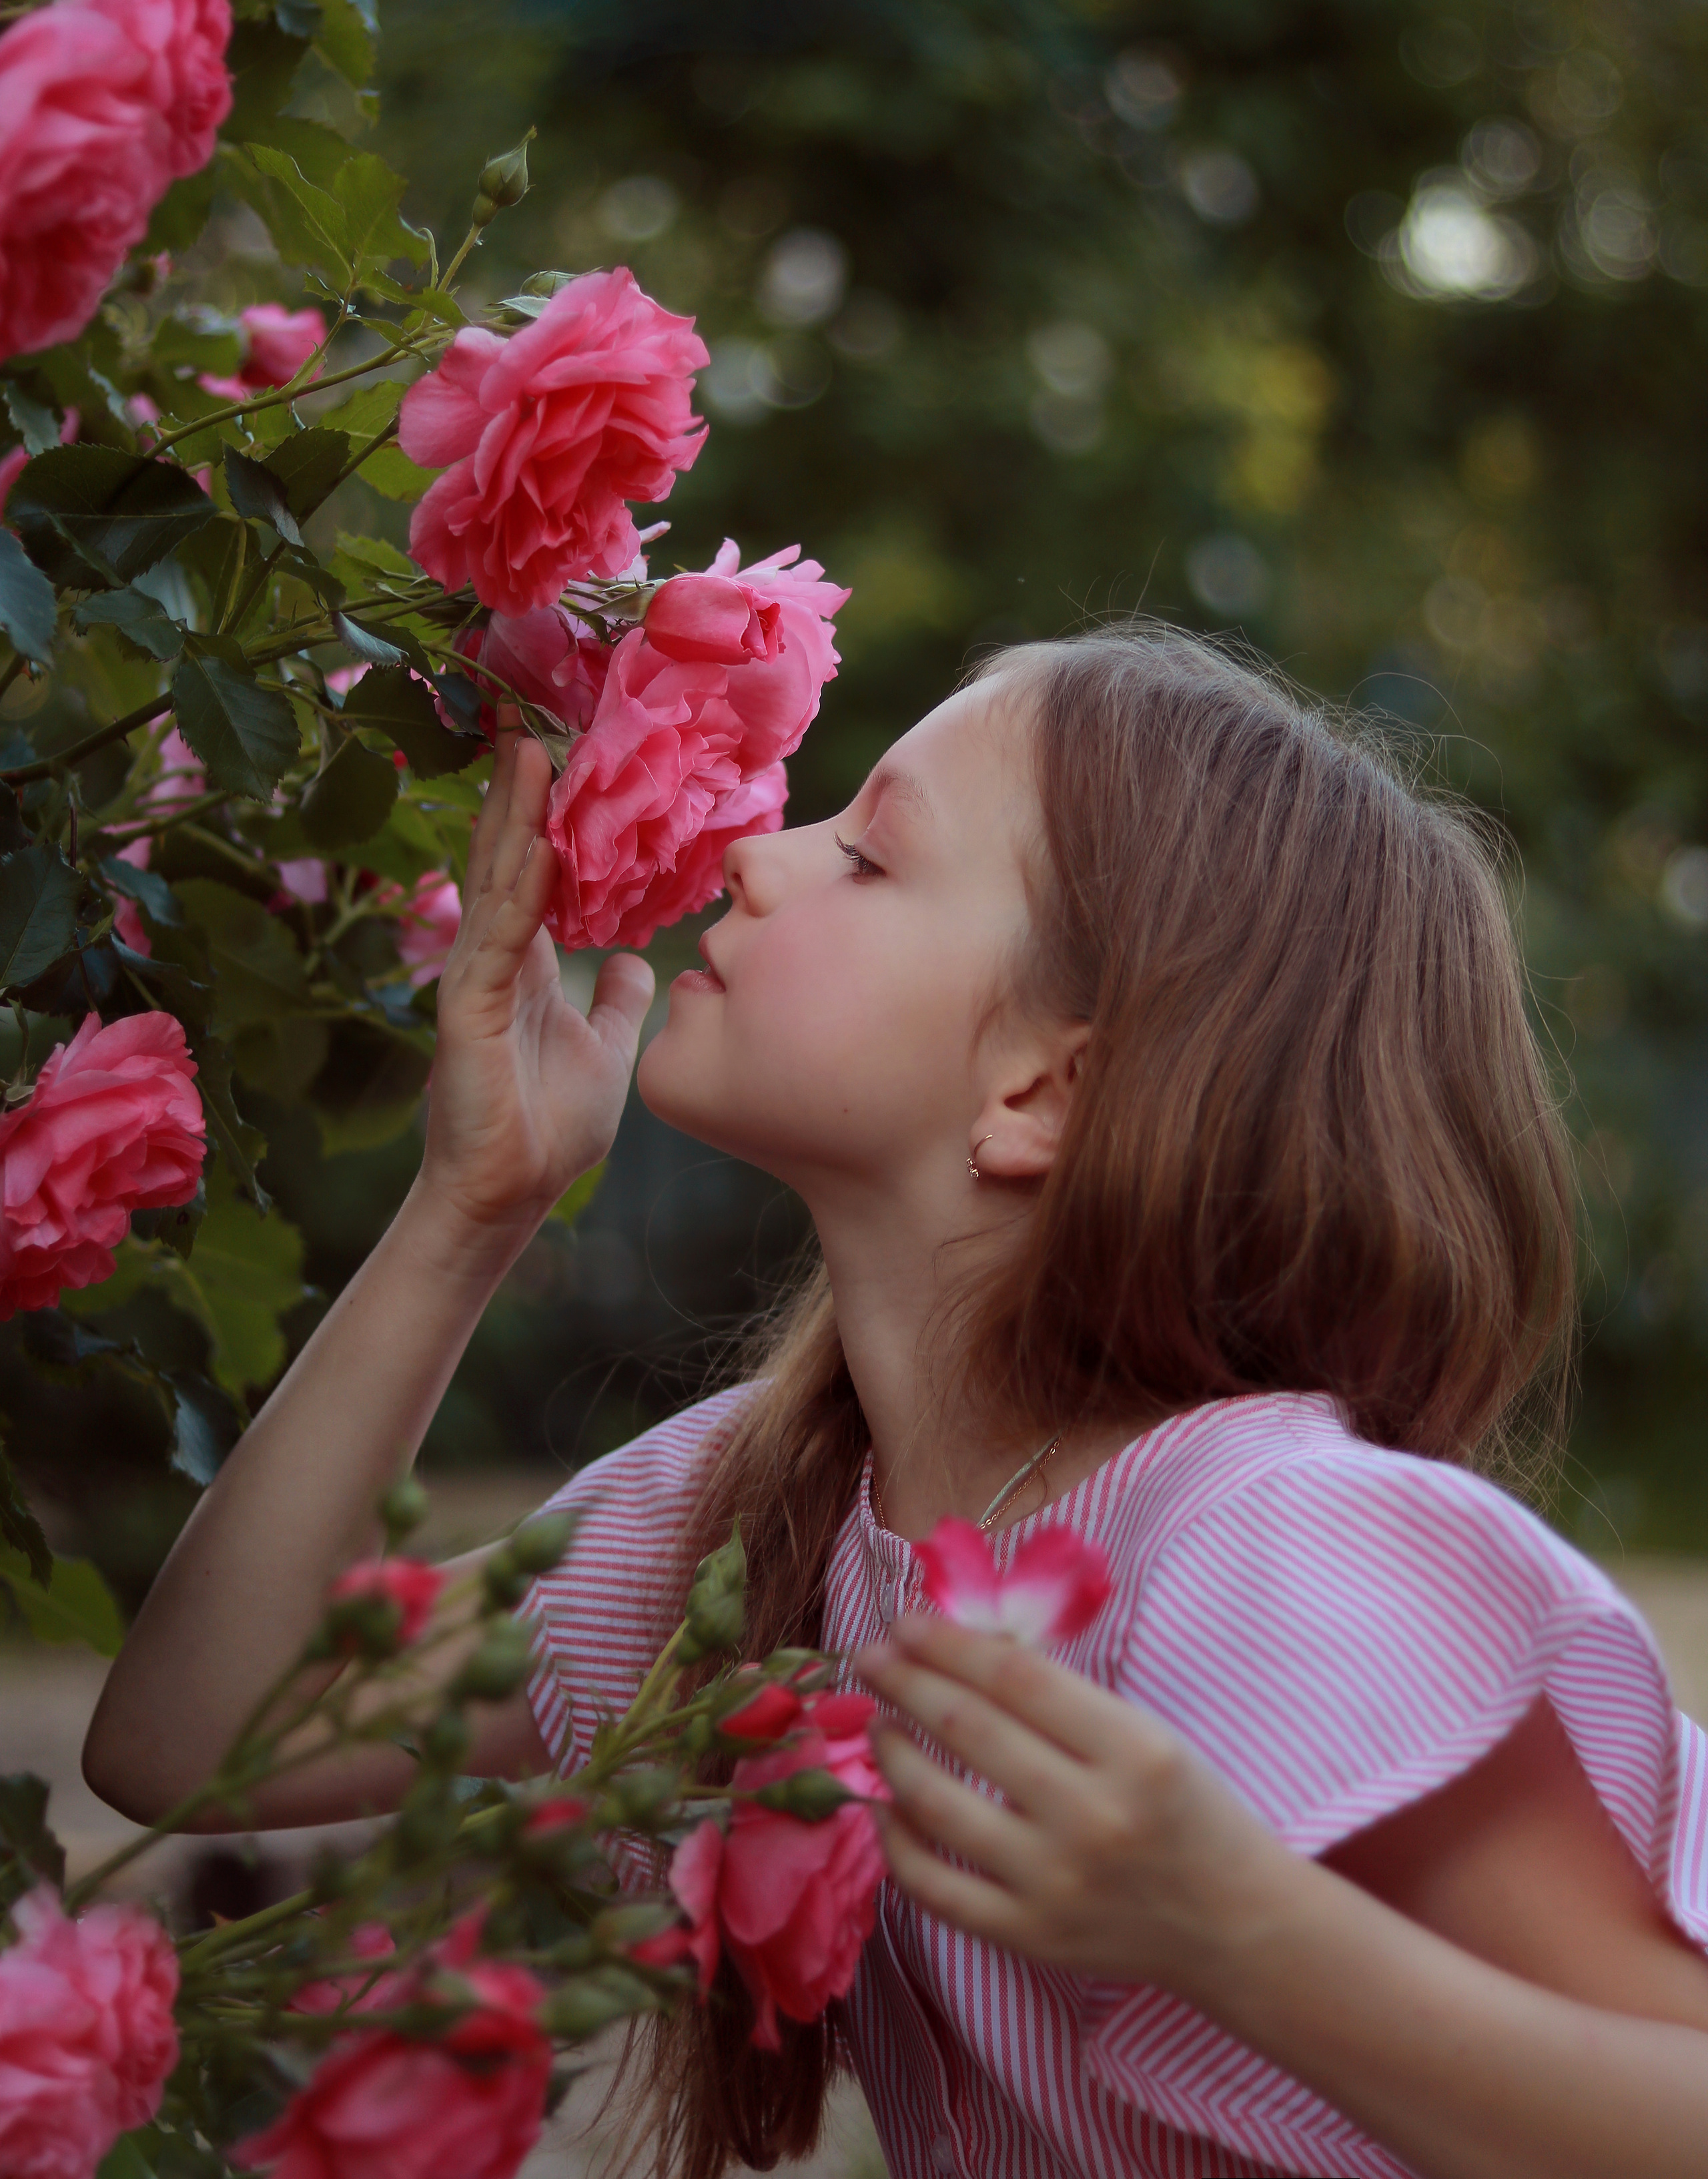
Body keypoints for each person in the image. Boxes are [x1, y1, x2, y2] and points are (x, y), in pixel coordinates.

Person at [85, 627, 1708, 2179]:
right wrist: (469, 1212)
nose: (752, 854)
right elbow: (196, 1735)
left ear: (1040, 1089)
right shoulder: (769, 1509)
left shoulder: (1277, 1547)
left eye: (864, 856)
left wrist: (1251, 1938)